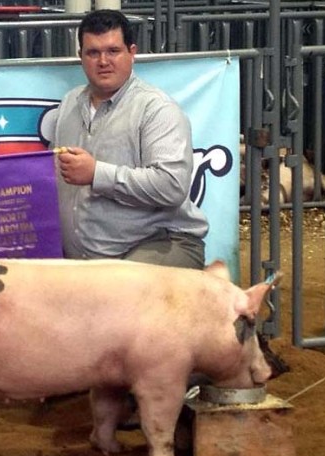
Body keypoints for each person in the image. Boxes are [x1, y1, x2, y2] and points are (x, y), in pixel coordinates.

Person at [51, 9, 209, 428]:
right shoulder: (69, 105)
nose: (104, 60)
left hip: (163, 243)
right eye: (93, 52)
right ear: (80, 56)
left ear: (133, 53)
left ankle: (182, 383)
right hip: (96, 261)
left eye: (114, 51)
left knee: (124, 302)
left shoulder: (157, 111)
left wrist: (97, 174)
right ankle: (126, 391)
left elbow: (172, 187)